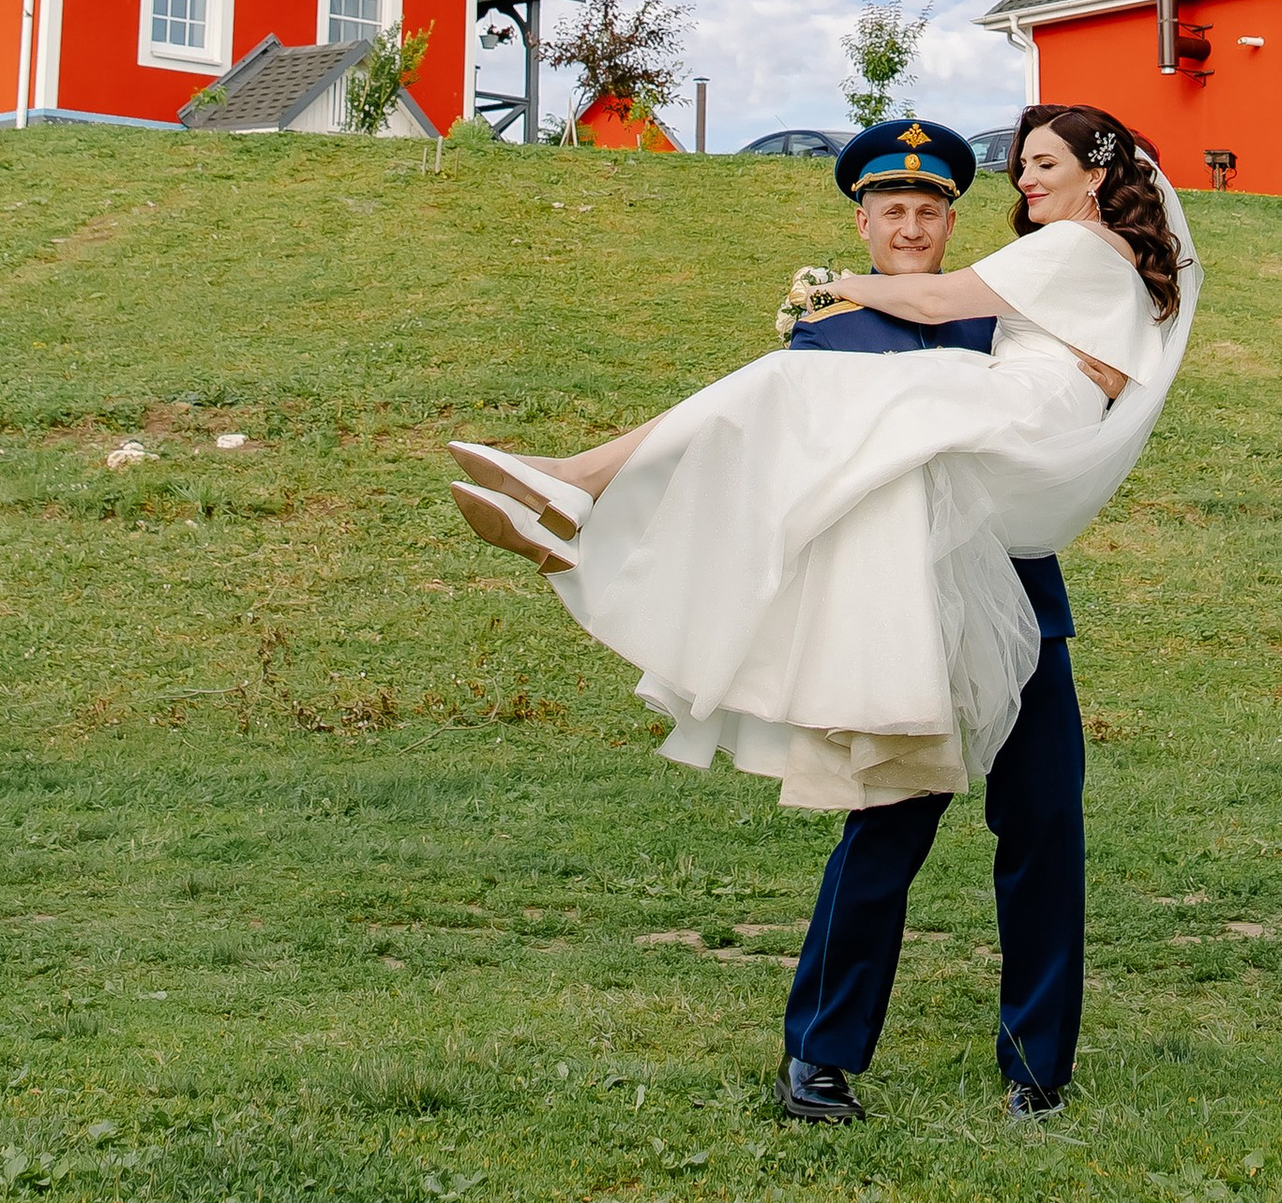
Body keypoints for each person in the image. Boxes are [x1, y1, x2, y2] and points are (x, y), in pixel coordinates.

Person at [450, 103, 1199, 1123]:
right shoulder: (829, 335)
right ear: (862, 221)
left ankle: (1038, 1068)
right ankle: (819, 1058)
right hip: (892, 607)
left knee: (1042, 820)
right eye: (891, 209)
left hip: (1019, 596)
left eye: (929, 209)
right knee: (886, 818)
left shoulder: (994, 303)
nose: (910, 227)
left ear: (948, 222)